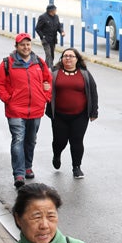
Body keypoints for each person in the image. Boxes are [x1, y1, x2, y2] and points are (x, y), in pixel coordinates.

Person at [0, 33, 52, 188]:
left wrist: (45, 97)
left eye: (28, 45)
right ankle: (19, 174)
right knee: (18, 139)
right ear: (16, 46)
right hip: (15, 110)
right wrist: (9, 100)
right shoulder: (7, 63)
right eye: (22, 45)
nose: (26, 47)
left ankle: (28, 167)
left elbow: (48, 79)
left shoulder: (39, 62)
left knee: (31, 140)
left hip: (36, 109)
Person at [48, 48, 98, 180]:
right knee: (60, 141)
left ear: (77, 59)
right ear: (62, 59)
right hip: (59, 115)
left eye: (71, 56)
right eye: (65, 56)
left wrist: (94, 111)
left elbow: (93, 92)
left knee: (76, 141)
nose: (68, 58)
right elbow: (46, 91)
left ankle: (77, 167)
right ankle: (57, 154)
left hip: (80, 115)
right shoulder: (54, 73)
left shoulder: (85, 74)